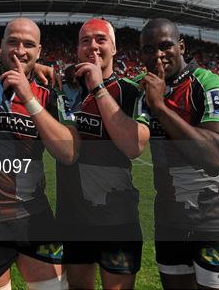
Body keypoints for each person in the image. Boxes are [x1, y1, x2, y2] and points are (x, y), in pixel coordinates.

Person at [0, 18, 78, 290]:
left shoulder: (49, 90)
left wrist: (29, 98)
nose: (19, 50)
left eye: (28, 45)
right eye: (12, 42)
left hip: (33, 213)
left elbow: (68, 153)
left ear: (39, 51)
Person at [138, 18, 219, 290]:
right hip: (169, 220)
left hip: (213, 217)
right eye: (149, 49)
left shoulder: (210, 83)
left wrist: (159, 107)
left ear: (181, 46)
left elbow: (218, 157)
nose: (158, 55)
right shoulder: (143, 86)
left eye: (165, 46)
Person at [56, 18, 150, 289]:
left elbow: (134, 147)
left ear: (114, 48)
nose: (92, 46)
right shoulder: (64, 89)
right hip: (73, 217)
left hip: (117, 218)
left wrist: (98, 87)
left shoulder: (130, 91)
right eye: (85, 40)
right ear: (77, 49)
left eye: (100, 39)